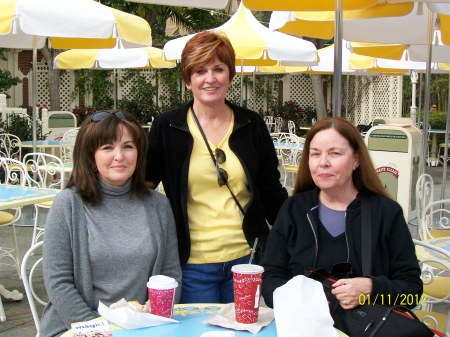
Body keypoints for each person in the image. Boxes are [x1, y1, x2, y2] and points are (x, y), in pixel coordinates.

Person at [146, 31, 288, 304]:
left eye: (218, 69)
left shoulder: (251, 124)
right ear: (188, 80)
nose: (210, 78)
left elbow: (271, 190)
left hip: (248, 259)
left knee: (248, 332)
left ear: (230, 76)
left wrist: (298, 233)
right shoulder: (168, 127)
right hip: (192, 264)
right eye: (200, 71)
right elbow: (144, 186)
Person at [40, 111, 181, 337]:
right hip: (78, 327)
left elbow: (170, 273)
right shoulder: (68, 204)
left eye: (128, 146)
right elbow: (58, 282)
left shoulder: (158, 205)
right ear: (90, 155)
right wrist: (98, 331)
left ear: (139, 153)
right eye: (107, 147)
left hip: (142, 328)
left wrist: (154, 317)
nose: (119, 156)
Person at [261, 117, 422, 312]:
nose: (323, 163)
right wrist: (296, 297)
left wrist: (372, 289)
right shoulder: (294, 210)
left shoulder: (386, 213)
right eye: (315, 154)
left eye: (334, 153)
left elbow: (412, 292)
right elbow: (270, 277)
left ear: (356, 160)